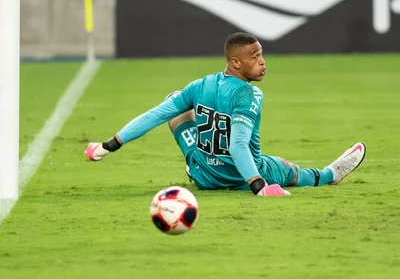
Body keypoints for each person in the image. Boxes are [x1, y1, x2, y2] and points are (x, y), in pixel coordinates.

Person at [85, 32, 366, 197]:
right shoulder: (249, 94)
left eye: (261, 54)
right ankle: (330, 175)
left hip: (203, 173)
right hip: (237, 174)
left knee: (174, 104)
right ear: (235, 62)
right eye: (254, 57)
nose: (262, 62)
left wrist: (109, 145)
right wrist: (258, 185)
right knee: (287, 169)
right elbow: (238, 145)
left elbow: (156, 115)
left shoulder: (201, 84)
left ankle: (196, 162)